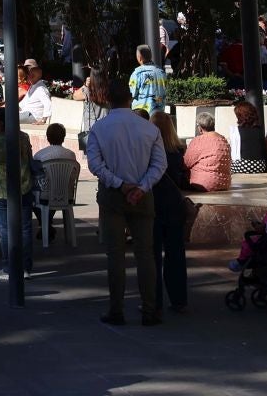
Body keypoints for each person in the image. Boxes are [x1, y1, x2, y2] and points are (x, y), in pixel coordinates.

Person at [82, 80, 166, 326]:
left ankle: (116, 310)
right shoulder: (149, 129)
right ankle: (150, 310)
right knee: (146, 254)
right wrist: (142, 187)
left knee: (115, 256)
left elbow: (95, 164)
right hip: (142, 194)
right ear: (131, 99)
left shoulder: (100, 128)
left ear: (108, 99)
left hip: (113, 195)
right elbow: (160, 165)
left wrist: (119, 183)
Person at [0, 108, 34, 279]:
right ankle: (25, 267)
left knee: (4, 230)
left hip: (0, 188)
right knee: (25, 228)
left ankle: (9, 266)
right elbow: (30, 159)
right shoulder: (23, 137)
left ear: (0, 123)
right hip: (23, 185)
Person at [148, 112, 189, 313]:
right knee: (176, 254)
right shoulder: (178, 150)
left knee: (152, 254)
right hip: (174, 205)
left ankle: (153, 300)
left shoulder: (148, 152)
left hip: (153, 204)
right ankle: (178, 298)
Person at [183, 110, 231, 193]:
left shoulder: (198, 141)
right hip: (224, 183)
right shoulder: (223, 139)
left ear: (200, 128)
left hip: (203, 184)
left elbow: (186, 163)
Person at [129, 47, 167, 116]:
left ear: (139, 58)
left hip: (141, 114)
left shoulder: (137, 73)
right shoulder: (161, 72)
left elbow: (132, 94)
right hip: (158, 113)